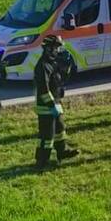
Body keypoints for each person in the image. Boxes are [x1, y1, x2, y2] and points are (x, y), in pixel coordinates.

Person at [33, 35, 79, 170]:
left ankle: (62, 152)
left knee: (60, 130)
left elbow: (58, 80)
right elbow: (43, 89)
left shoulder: (53, 62)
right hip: (47, 106)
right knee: (47, 136)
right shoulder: (42, 66)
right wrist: (52, 105)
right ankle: (41, 162)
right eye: (56, 48)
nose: (58, 51)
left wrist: (66, 69)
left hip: (56, 103)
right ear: (48, 49)